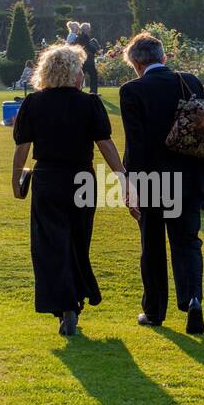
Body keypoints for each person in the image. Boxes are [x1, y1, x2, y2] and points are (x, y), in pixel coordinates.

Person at [12, 43, 129, 337]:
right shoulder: (89, 104)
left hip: (48, 179)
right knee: (78, 241)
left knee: (51, 244)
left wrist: (16, 180)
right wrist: (122, 177)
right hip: (81, 179)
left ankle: (65, 305)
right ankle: (76, 298)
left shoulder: (33, 104)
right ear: (74, 73)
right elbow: (105, 144)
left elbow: (22, 146)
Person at [118, 32, 204, 334]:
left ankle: (155, 310)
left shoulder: (132, 91)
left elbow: (136, 144)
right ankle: (193, 299)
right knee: (187, 242)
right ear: (164, 57)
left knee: (153, 245)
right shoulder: (190, 81)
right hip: (190, 175)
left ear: (135, 62)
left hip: (154, 179)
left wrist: (129, 184)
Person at [75, 22, 100, 95]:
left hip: (81, 60)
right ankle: (93, 92)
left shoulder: (78, 37)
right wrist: (96, 51)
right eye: (88, 28)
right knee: (93, 76)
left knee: (80, 77)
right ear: (85, 29)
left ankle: (78, 91)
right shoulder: (85, 36)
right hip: (87, 60)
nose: (90, 30)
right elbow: (88, 46)